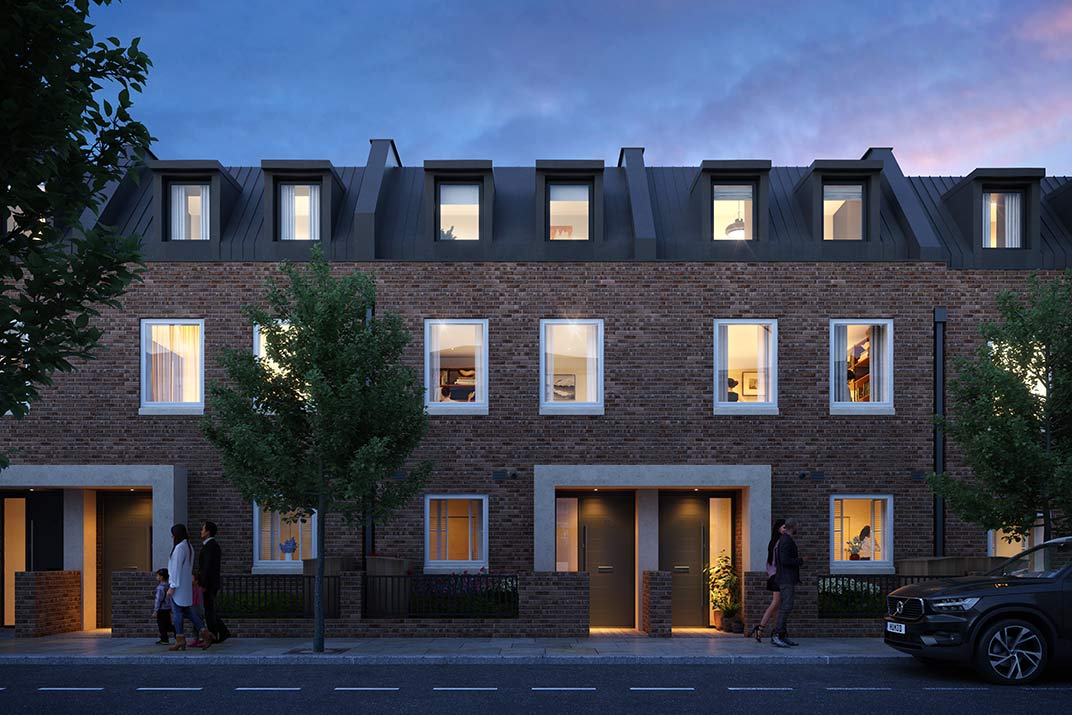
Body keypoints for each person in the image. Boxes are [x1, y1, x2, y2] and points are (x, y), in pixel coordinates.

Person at [166, 523, 205, 652]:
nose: (172, 536)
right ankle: (205, 632)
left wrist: (172, 586)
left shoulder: (179, 548)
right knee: (188, 612)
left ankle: (180, 638)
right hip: (185, 586)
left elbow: (176, 569)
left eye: (173, 533)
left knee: (177, 614)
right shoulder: (189, 547)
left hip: (178, 587)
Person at [747, 518, 786, 641]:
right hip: (777, 576)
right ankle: (761, 628)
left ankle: (776, 631)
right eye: (784, 527)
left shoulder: (773, 542)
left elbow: (769, 563)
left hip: (773, 575)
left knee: (777, 606)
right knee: (775, 603)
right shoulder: (779, 543)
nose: (785, 529)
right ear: (778, 528)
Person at [772, 518, 804, 648]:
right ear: (793, 527)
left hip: (786, 578)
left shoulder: (785, 540)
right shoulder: (786, 540)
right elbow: (785, 560)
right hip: (786, 579)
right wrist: (800, 560)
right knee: (786, 607)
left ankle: (783, 635)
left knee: (786, 606)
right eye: (797, 526)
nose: (798, 528)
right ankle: (777, 635)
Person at [197, 520, 222, 648]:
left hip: (209, 584)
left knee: (209, 610)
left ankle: (214, 634)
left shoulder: (211, 546)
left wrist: (203, 584)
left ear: (208, 531)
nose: (201, 531)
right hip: (211, 583)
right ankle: (222, 632)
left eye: (202, 529)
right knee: (210, 609)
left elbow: (207, 567)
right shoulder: (210, 546)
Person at [152, 568, 174, 645]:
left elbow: (158, 599)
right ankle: (176, 632)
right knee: (168, 624)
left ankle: (164, 639)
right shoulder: (169, 586)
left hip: (161, 609)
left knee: (161, 625)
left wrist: (155, 610)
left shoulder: (160, 588)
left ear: (161, 577)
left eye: (157, 576)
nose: (156, 577)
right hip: (167, 608)